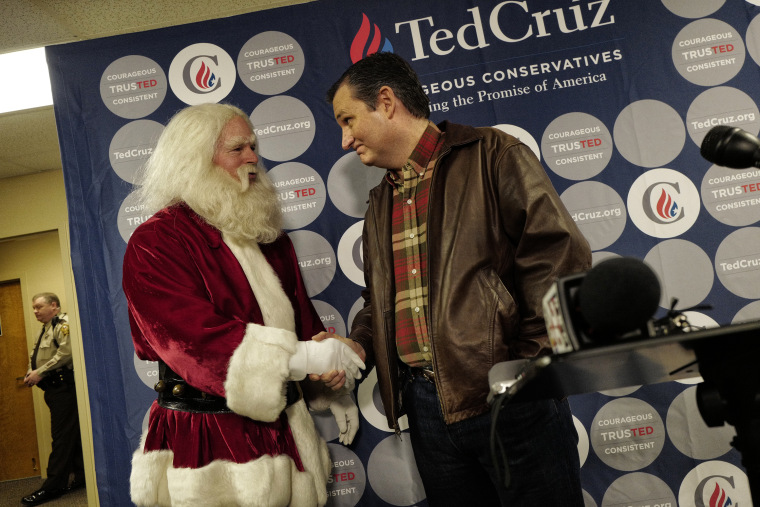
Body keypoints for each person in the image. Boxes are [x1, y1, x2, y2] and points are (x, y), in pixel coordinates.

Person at [322, 52, 592, 506]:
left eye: (348, 120)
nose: (345, 140)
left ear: (386, 102)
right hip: (427, 416)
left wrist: (525, 367)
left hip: (513, 400)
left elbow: (560, 258)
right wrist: (358, 345)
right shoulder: (379, 202)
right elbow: (378, 303)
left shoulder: (494, 154)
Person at [122, 103, 364, 507]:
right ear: (194, 159)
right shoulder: (156, 243)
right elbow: (191, 342)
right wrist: (307, 357)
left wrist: (328, 383)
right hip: (207, 440)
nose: (253, 158)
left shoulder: (270, 238)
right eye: (238, 149)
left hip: (287, 431)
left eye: (253, 146)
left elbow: (303, 327)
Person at [22, 292, 85, 506]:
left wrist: (40, 372)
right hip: (54, 390)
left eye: (39, 307)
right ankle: (82, 477)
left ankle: (53, 487)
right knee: (70, 435)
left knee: (61, 438)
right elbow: (38, 354)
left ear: (54, 306)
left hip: (64, 389)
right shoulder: (47, 328)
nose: (35, 312)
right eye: (33, 308)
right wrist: (31, 371)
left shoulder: (63, 324)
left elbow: (66, 354)